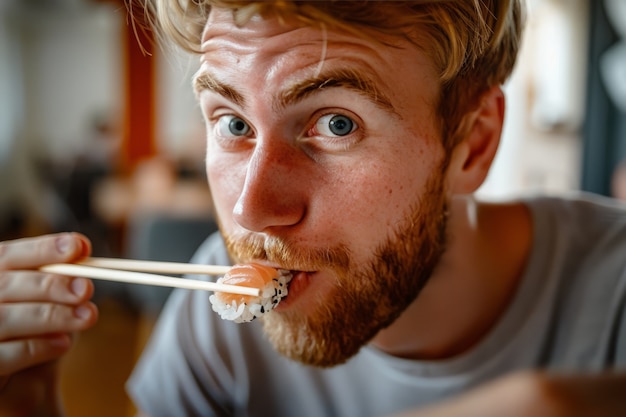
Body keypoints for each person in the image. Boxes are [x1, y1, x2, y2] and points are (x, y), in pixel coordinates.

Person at [1, 1, 625, 416]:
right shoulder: (220, 304)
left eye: (336, 122)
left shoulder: (613, 303)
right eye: (233, 123)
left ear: (474, 142)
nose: (249, 211)